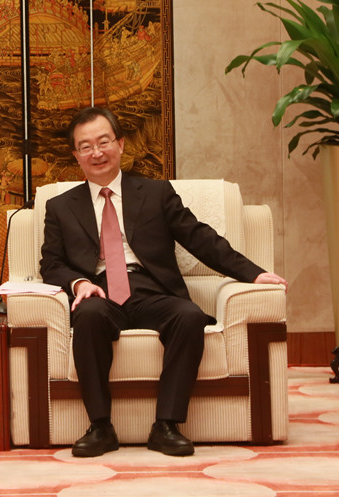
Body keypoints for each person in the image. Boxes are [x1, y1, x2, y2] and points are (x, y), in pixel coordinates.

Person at [40, 107, 288, 458]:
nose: (96, 153)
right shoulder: (60, 206)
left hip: (151, 289)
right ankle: (100, 427)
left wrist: (253, 273)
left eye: (103, 142)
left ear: (120, 144)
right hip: (98, 291)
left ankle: (167, 425)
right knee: (89, 316)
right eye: (86, 146)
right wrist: (79, 283)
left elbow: (199, 238)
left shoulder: (156, 192)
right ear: (76, 155)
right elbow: (51, 264)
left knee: (189, 316)